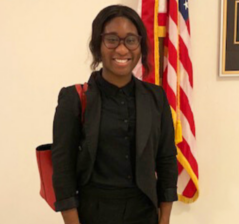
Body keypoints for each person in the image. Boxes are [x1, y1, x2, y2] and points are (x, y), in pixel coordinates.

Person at [51, 5, 178, 224]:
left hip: (144, 213)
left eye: (130, 40)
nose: (121, 50)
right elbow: (63, 171)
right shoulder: (74, 99)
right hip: (93, 214)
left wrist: (164, 218)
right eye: (111, 39)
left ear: (140, 46)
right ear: (98, 46)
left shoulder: (156, 97)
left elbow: (166, 160)